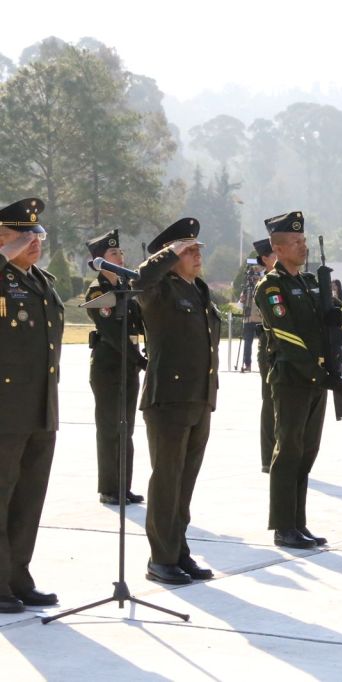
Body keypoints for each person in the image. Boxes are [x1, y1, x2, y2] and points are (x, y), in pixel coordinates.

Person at [137, 217, 219, 585]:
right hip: (168, 400)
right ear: (170, 256)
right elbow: (139, 280)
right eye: (188, 250)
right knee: (167, 481)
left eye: (197, 248)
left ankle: (178, 550)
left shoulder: (197, 290)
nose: (196, 254)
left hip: (198, 398)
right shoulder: (161, 290)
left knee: (184, 484)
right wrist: (166, 255)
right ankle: (160, 558)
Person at [255, 211, 336, 549]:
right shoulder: (271, 286)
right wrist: (315, 367)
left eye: (304, 241)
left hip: (316, 377)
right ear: (278, 247)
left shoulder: (307, 281)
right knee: (287, 451)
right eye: (296, 242)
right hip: (292, 377)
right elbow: (286, 333)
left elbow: (324, 325)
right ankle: (283, 525)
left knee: (306, 451)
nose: (303, 246)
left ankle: (298, 522)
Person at [0, 198, 61, 614]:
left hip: (41, 406)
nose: (32, 242)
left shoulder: (41, 281)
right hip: (5, 408)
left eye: (35, 234)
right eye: (21, 236)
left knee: (28, 498)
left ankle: (19, 577)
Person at [84, 229, 146, 506]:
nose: (120, 257)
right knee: (110, 428)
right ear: (100, 260)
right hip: (108, 367)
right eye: (113, 253)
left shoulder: (126, 288)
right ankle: (109, 487)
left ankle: (124, 485)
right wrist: (141, 360)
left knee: (127, 428)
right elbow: (112, 334)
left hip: (128, 366)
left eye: (120, 252)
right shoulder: (98, 292)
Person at [251, 238, 278, 473]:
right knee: (270, 402)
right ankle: (268, 457)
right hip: (268, 348)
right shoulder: (264, 284)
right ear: (265, 260)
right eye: (274, 254)